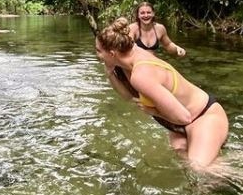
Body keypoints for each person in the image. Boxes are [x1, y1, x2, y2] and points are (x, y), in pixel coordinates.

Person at [96, 17, 228, 172]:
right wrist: (110, 72)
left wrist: (153, 111)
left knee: (199, 172)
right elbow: (128, 97)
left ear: (112, 53)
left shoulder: (141, 75)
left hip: (202, 118)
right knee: (185, 163)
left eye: (99, 51)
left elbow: (184, 117)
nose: (97, 55)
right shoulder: (131, 54)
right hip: (180, 126)